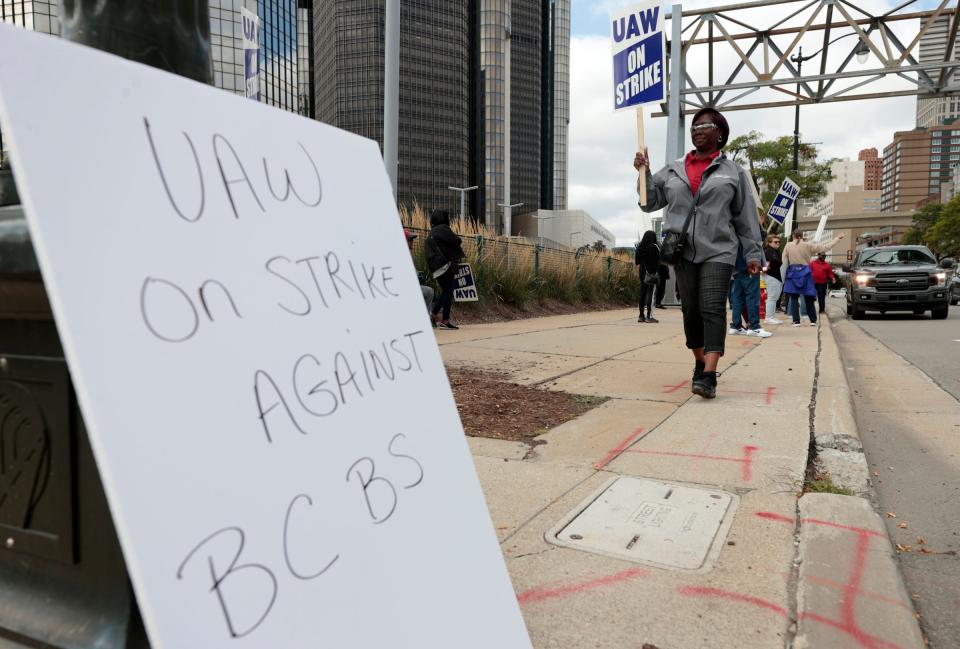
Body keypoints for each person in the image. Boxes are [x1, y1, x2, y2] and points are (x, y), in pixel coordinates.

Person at [635, 106, 762, 399]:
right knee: (690, 311)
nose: (697, 131)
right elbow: (648, 202)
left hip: (719, 250)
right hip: (683, 252)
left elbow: (746, 217)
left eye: (704, 126)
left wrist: (753, 253)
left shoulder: (733, 172)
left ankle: (709, 374)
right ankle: (699, 361)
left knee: (712, 308)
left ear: (720, 133)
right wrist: (643, 171)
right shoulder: (673, 169)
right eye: (694, 127)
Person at [781, 229, 844, 327]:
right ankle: (813, 320)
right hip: (805, 271)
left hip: (793, 272)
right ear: (802, 236)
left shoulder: (788, 245)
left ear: (793, 235)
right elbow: (825, 247)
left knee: (793, 297)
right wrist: (837, 238)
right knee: (809, 297)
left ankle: (796, 321)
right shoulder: (808, 245)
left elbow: (784, 259)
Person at [425, 209, 466, 330]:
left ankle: (433, 314)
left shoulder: (433, 231)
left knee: (445, 291)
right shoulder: (443, 228)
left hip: (436, 267)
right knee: (448, 292)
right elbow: (456, 240)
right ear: (444, 218)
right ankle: (445, 320)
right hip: (445, 265)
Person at [405, 229, 435, 325]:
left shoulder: (409, 253)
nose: (412, 242)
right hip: (403, 288)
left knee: (429, 291)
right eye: (409, 240)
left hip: (410, 286)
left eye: (412, 239)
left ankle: (424, 319)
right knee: (428, 291)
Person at [635, 230, 660, 323]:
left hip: (642, 273)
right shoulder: (655, 247)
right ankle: (649, 316)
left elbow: (637, 262)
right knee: (651, 293)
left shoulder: (640, 247)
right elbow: (658, 261)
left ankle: (641, 316)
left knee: (642, 293)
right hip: (651, 273)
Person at [762, 234, 784, 325]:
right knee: (772, 297)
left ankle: (771, 316)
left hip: (773, 276)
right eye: (775, 242)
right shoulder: (768, 251)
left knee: (774, 297)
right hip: (771, 276)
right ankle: (769, 317)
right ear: (769, 242)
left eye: (779, 242)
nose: (778, 243)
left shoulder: (773, 251)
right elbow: (773, 261)